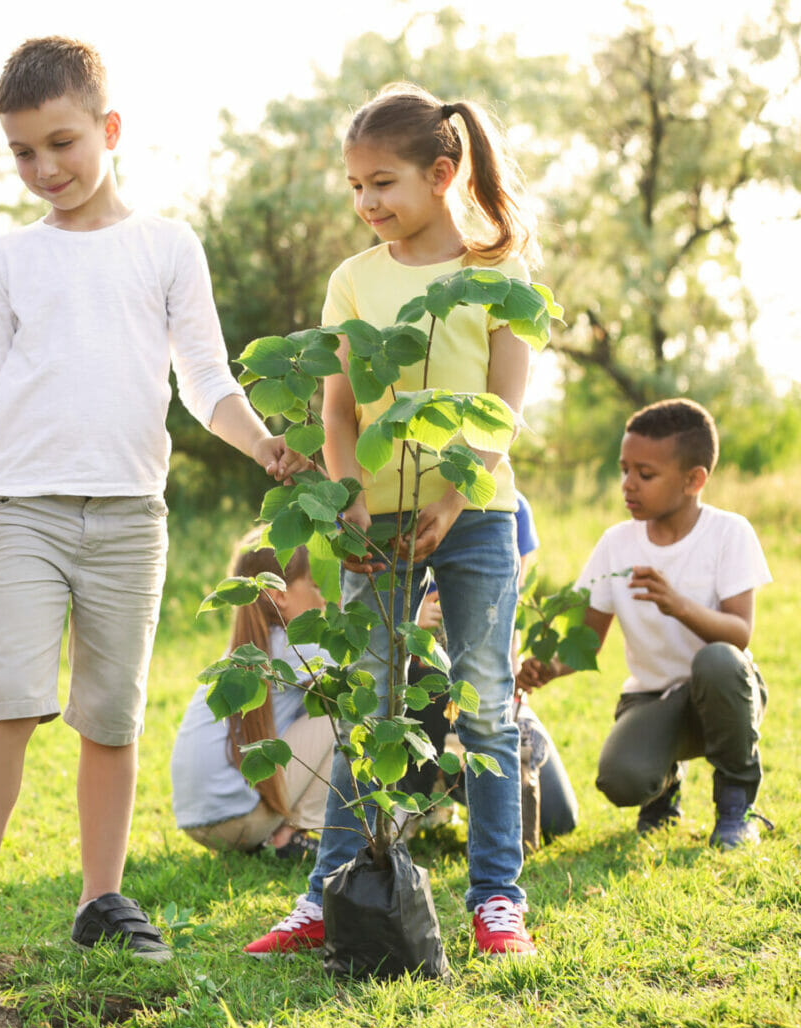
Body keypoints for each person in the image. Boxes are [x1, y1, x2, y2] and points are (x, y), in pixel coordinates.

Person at [0, 37, 309, 971]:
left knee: (112, 714)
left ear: (110, 129)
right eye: (22, 152)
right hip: (25, 512)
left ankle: (102, 897)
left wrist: (261, 440)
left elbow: (205, 380)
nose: (44, 168)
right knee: (9, 697)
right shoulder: (9, 259)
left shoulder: (166, 247)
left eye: (61, 143)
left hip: (132, 516)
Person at [247, 83, 541, 960]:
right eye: (355, 188)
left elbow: (504, 410)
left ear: (441, 173)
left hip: (477, 514)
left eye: (383, 183)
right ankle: (326, 896)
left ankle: (497, 901)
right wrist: (348, 501)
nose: (368, 203)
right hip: (374, 519)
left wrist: (452, 499)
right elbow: (339, 411)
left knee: (485, 706)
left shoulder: (499, 274)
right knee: (366, 710)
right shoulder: (354, 279)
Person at [518, 398, 772, 849]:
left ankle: (737, 807)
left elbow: (739, 635)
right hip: (653, 699)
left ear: (695, 480)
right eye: (624, 469)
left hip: (725, 692)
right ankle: (663, 786)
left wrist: (679, 604)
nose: (628, 485)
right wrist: (547, 669)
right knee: (620, 779)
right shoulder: (617, 544)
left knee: (717, 660)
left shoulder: (729, 533)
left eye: (645, 474)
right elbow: (588, 644)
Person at [400, 491, 581, 845]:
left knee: (558, 819)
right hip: (417, 701)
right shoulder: (404, 493)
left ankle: (446, 783)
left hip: (486, 699)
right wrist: (409, 623)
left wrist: (516, 670)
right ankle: (409, 803)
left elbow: (507, 612)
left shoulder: (511, 506)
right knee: (436, 677)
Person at [170, 535, 334, 858]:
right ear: (279, 596)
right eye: (315, 586)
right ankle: (295, 833)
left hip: (197, 821)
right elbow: (369, 669)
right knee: (342, 710)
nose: (324, 598)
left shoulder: (248, 651)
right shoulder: (294, 650)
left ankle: (281, 831)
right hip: (241, 821)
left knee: (316, 703)